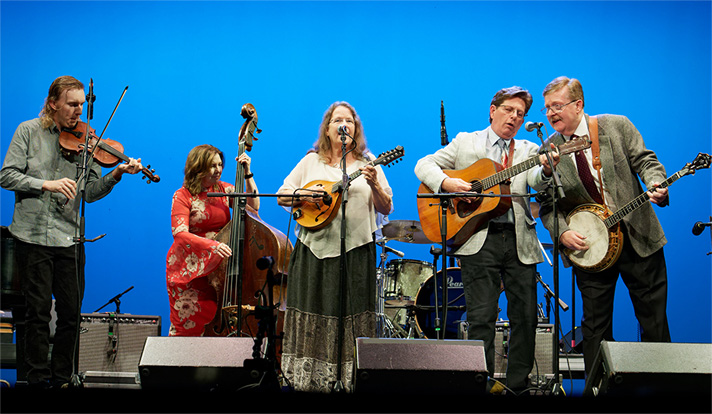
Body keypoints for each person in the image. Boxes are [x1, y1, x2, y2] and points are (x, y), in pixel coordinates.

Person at [0, 75, 144, 389]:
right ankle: (37, 381)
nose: (78, 111)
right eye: (72, 104)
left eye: (81, 104)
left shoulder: (87, 142)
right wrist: (45, 184)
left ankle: (63, 379)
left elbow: (90, 192)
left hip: (69, 237)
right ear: (53, 103)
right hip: (33, 235)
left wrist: (117, 172)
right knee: (37, 314)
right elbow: (6, 175)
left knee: (69, 315)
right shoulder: (28, 132)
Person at [414, 86, 559, 393]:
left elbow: (536, 181)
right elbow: (423, 165)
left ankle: (518, 387)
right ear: (493, 110)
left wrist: (546, 170)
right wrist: (447, 181)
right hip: (478, 239)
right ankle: (483, 385)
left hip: (520, 240)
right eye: (509, 110)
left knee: (526, 318)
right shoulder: (467, 142)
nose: (514, 117)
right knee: (480, 319)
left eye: (520, 114)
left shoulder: (529, 150)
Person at [537, 76, 671, 375]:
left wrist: (655, 183)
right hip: (591, 249)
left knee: (654, 323)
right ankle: (597, 392)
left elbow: (646, 161)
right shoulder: (547, 150)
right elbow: (546, 205)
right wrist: (562, 232)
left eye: (556, 106)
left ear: (578, 105)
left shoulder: (615, 126)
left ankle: (664, 389)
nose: (550, 114)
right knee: (595, 330)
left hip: (639, 238)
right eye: (547, 108)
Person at [277, 101, 393, 393]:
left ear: (356, 129)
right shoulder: (310, 162)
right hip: (313, 251)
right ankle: (305, 380)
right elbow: (282, 195)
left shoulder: (370, 163)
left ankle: (348, 379)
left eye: (350, 121)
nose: (344, 125)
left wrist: (375, 185)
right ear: (327, 129)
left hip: (356, 251)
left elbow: (387, 205)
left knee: (350, 314)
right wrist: (308, 194)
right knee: (310, 309)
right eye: (337, 120)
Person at [166, 144, 259, 336]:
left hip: (218, 268)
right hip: (190, 269)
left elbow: (253, 207)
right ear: (198, 167)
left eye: (220, 165)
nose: (218, 170)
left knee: (216, 319)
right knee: (188, 323)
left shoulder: (224, 189)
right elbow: (180, 234)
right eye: (212, 166)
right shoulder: (182, 196)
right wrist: (213, 245)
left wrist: (248, 174)